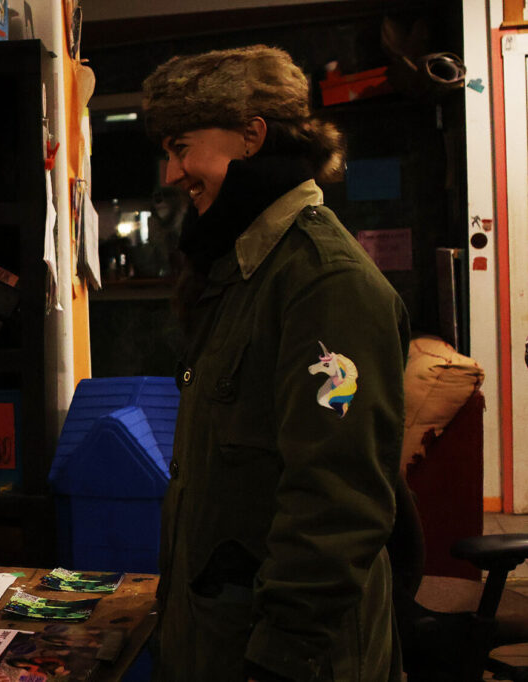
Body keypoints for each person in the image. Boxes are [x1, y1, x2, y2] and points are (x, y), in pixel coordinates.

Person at [141, 46, 409, 682]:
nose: (171, 172)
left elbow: (337, 503)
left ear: (252, 137)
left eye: (183, 146)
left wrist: (280, 659)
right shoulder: (240, 269)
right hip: (222, 642)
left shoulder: (324, 284)